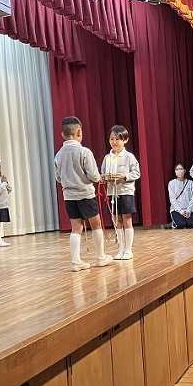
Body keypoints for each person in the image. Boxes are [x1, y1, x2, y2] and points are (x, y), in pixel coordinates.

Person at [54, 116, 113, 272]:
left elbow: (58, 177)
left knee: (76, 228)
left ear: (62, 134)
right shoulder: (84, 151)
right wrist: (99, 178)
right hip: (85, 194)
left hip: (69, 196)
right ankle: (100, 257)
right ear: (79, 132)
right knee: (96, 224)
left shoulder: (58, 155)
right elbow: (93, 175)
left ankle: (76, 261)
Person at [101, 125, 140, 260]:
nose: (114, 142)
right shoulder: (107, 157)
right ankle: (121, 249)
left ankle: (128, 250)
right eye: (111, 139)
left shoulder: (129, 157)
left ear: (125, 140)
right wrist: (104, 178)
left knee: (127, 220)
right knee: (117, 221)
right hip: (112, 192)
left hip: (126, 192)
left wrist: (124, 176)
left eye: (117, 139)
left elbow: (136, 173)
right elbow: (103, 173)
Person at [168, 164, 193, 229]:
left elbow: (192, 198)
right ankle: (174, 223)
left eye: (181, 169)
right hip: (177, 210)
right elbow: (172, 200)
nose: (179, 171)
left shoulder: (190, 183)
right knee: (181, 224)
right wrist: (181, 211)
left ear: (184, 170)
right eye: (177, 169)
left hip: (188, 209)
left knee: (191, 224)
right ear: (175, 171)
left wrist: (188, 210)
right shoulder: (171, 183)